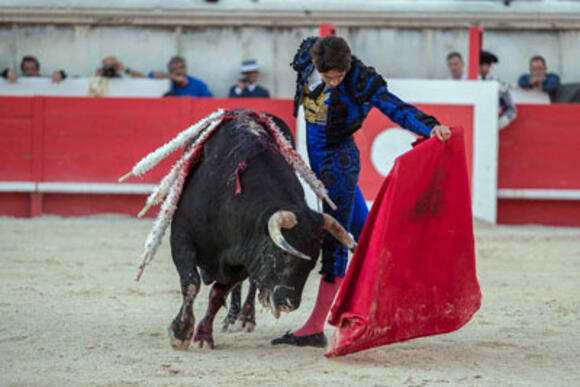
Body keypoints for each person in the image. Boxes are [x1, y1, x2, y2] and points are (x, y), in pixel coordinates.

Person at [271, 36, 451, 348]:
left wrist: (429, 126)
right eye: (328, 76)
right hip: (317, 158)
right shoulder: (306, 57)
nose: (334, 81)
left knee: (334, 237)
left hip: (338, 163)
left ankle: (315, 326)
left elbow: (395, 107)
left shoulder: (360, 79)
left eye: (339, 76)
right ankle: (402, 296)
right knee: (365, 234)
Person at [479, 50, 517, 130]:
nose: (481, 67)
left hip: (491, 123)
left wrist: (501, 122)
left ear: (489, 66)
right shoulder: (469, 81)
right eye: (480, 64)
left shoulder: (498, 83)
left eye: (485, 64)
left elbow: (511, 110)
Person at [2, 55, 66, 84]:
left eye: (32, 69)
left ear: (37, 70)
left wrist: (59, 74)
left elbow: (65, 76)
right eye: (26, 69)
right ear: (22, 71)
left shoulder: (45, 80)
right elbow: (2, 75)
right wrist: (8, 73)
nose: (30, 72)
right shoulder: (18, 79)